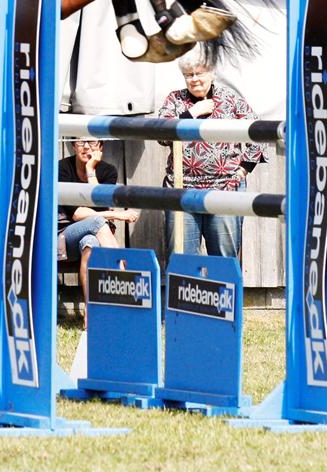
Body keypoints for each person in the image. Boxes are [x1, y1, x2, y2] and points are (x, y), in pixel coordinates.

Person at [156, 54, 266, 260]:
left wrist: (244, 168)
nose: (194, 79)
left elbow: (258, 132)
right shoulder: (174, 99)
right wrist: (191, 114)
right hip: (181, 189)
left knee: (224, 257)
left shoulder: (230, 98)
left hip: (225, 188)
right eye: (189, 75)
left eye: (200, 73)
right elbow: (161, 135)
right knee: (181, 258)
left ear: (212, 74)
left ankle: (226, 292)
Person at [57, 139, 138, 325]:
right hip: (61, 237)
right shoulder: (62, 169)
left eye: (92, 142)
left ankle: (90, 313)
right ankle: (124, 282)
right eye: (80, 142)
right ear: (73, 146)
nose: (86, 147)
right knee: (97, 223)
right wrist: (116, 215)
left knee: (90, 244)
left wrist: (90, 170)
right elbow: (76, 214)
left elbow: (97, 205)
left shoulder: (107, 171)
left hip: (90, 235)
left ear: (100, 147)